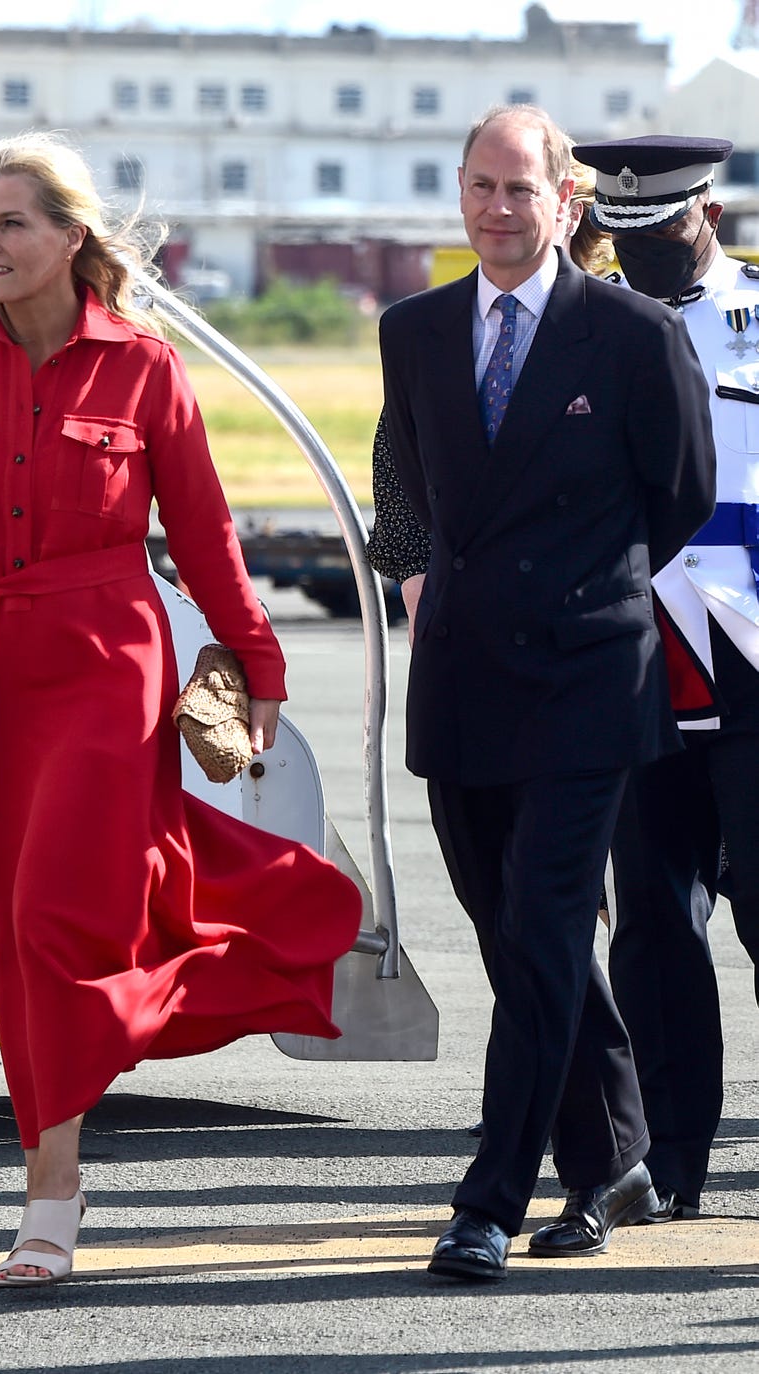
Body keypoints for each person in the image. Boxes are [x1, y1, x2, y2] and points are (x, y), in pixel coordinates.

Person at [0, 132, 362, 1289]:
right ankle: (58, 1158)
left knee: (59, 918)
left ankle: (47, 1194)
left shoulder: (147, 370)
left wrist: (259, 664)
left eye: (12, 222)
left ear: (70, 238)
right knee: (16, 932)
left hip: (108, 668)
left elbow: (206, 538)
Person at [378, 104, 715, 1282]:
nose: (496, 209)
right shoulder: (410, 330)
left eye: (520, 190)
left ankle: (486, 1200)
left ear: (565, 203)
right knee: (519, 946)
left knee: (541, 932)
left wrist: (581, 587)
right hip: (463, 681)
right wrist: (418, 577)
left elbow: (675, 495)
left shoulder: (627, 335)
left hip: (584, 677)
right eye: (479, 185)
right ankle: (614, 1152)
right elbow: (403, 474)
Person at [572, 134, 759, 1223]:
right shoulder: (584, 322)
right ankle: (670, 1160)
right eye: (621, 238)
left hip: (749, 651)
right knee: (648, 915)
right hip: (634, 651)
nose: (639, 260)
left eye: (661, 237)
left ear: (707, 212)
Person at [368, 158, 613, 610]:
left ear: (570, 213)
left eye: (525, 194)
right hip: (464, 605)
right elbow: (402, 463)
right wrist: (423, 590)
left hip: (589, 610)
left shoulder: (626, 334)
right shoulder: (445, 330)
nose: (506, 214)